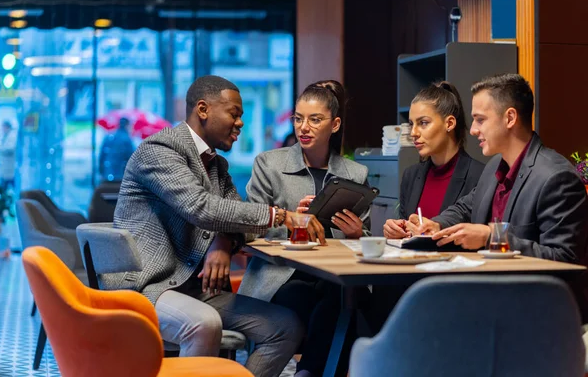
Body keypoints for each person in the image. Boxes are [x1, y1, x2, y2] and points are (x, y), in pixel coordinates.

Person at [105, 76, 325, 377]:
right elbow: (201, 208)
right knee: (203, 323)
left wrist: (222, 243)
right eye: (234, 114)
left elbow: (237, 220)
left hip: (191, 288)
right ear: (203, 109)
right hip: (145, 288)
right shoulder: (159, 150)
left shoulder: (217, 166)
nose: (240, 123)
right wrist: (281, 215)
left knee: (286, 327)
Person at [239, 80, 369, 377]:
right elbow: (248, 228)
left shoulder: (355, 173)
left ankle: (307, 371)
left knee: (345, 298)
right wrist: (287, 223)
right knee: (338, 308)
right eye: (298, 118)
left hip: (335, 277)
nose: (303, 127)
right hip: (281, 278)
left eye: (314, 119)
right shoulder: (269, 164)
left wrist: (356, 233)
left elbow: (366, 241)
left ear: (334, 125)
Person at [407, 73, 588, 265]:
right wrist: (437, 224)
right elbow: (465, 208)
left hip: (530, 294)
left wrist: (492, 237)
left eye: (480, 120)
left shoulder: (557, 178)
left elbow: (565, 259)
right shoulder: (494, 166)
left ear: (510, 118)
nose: (473, 130)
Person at [383, 81, 484, 241]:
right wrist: (397, 230)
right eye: (411, 124)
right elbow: (407, 232)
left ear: (449, 123)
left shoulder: (480, 176)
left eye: (423, 123)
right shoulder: (411, 175)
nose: (414, 133)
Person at [98, 116, 134, 182]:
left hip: (106, 176)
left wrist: (102, 172)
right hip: (121, 178)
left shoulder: (108, 137)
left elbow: (101, 157)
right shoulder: (127, 139)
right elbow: (132, 159)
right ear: (127, 126)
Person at [0, 121, 17, 191]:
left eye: (3, 127)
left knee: (9, 187)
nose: (2, 129)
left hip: (9, 169)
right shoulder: (6, 136)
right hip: (5, 169)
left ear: (7, 127)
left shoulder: (12, 136)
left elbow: (10, 148)